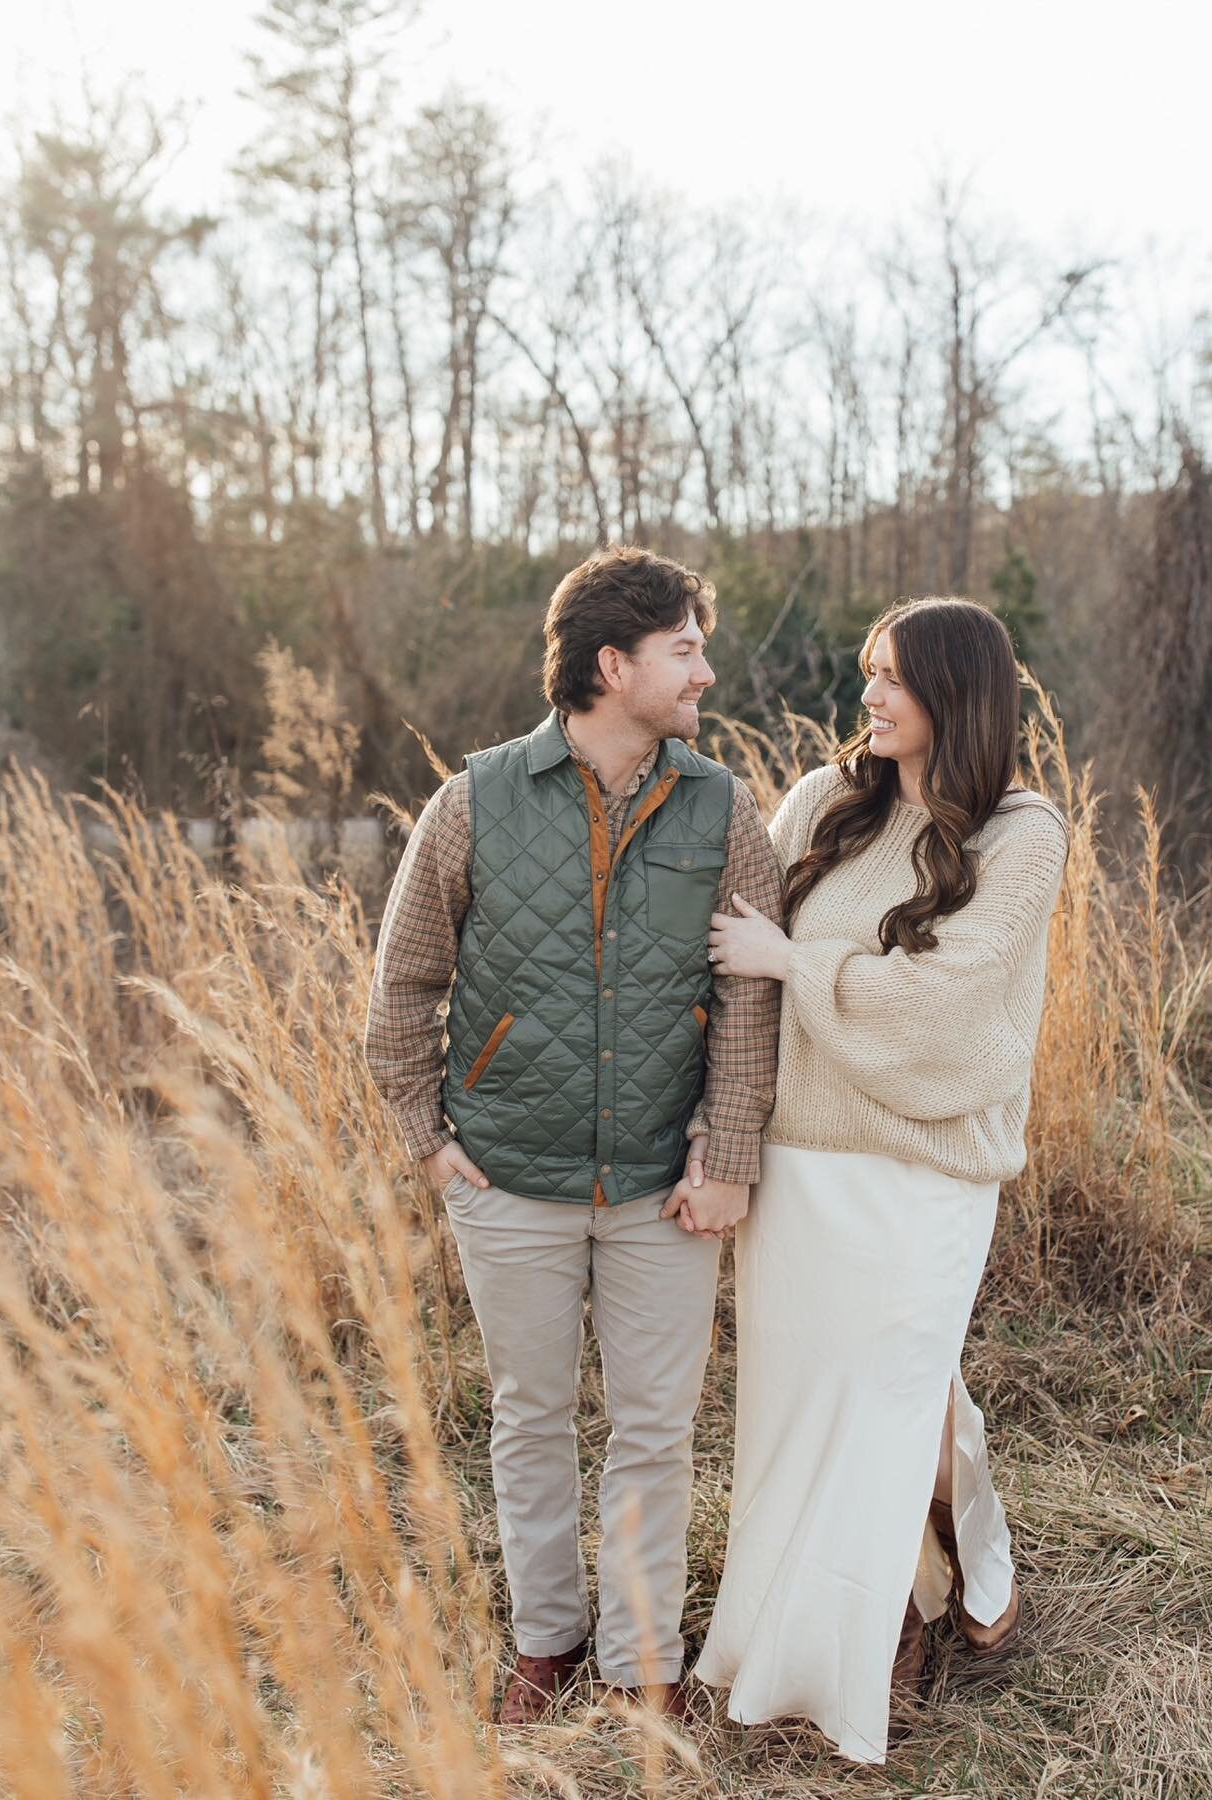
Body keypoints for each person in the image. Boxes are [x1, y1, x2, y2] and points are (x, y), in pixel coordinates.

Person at [363, 546, 783, 1724]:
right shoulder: (476, 798)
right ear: (614, 664)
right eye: (685, 648)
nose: (706, 667)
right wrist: (425, 1135)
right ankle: (546, 1643)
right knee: (530, 1416)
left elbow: (753, 996)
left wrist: (729, 1155)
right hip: (508, 1176)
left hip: (667, 1187)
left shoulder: (722, 806)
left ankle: (640, 1660)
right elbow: (404, 983)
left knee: (656, 1427)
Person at [691, 596, 1068, 1765]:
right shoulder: (823, 804)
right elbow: (737, 974)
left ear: (958, 693)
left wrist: (797, 960)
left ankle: (861, 1651)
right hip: (802, 1164)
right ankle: (959, 1576)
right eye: (868, 672)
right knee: (804, 1414)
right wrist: (731, 1130)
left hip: (923, 1173)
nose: (870, 696)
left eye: (894, 678)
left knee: (889, 1399)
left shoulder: (1020, 833)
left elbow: (945, 1011)